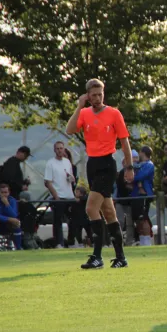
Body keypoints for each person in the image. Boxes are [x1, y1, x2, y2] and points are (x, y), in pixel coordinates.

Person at [65, 78, 134, 269]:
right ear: (88, 95)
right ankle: (121, 258)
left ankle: (97, 256)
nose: (97, 98)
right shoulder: (85, 113)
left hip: (107, 165)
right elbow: (70, 130)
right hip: (92, 164)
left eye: (100, 94)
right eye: (93, 95)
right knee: (109, 212)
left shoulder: (113, 113)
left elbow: (125, 142)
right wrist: (79, 106)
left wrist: (129, 168)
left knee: (90, 208)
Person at [44, 141, 76, 248]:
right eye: (57, 148)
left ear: (64, 149)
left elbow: (72, 178)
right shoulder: (50, 163)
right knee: (58, 221)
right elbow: (47, 182)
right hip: (58, 196)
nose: (59, 150)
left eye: (61, 148)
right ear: (54, 150)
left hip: (69, 196)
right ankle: (59, 243)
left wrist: (71, 179)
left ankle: (72, 242)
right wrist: (56, 196)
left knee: (73, 220)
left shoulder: (67, 162)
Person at [132, 146, 155, 246]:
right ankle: (142, 239)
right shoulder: (138, 165)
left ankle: (147, 240)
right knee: (138, 219)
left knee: (144, 218)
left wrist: (132, 177)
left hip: (144, 193)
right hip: (136, 194)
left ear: (143, 153)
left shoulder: (149, 165)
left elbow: (141, 176)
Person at [0, 184, 22, 251]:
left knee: (16, 222)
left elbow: (14, 215)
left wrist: (7, 204)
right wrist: (8, 218)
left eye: (5, 192)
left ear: (9, 193)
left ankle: (18, 247)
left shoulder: (12, 200)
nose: (4, 194)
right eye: (2, 192)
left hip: (9, 223)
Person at [115, 150, 138, 246]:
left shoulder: (135, 172)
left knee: (130, 223)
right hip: (121, 200)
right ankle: (118, 240)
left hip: (130, 201)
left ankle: (129, 241)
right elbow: (121, 185)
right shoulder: (121, 172)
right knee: (119, 221)